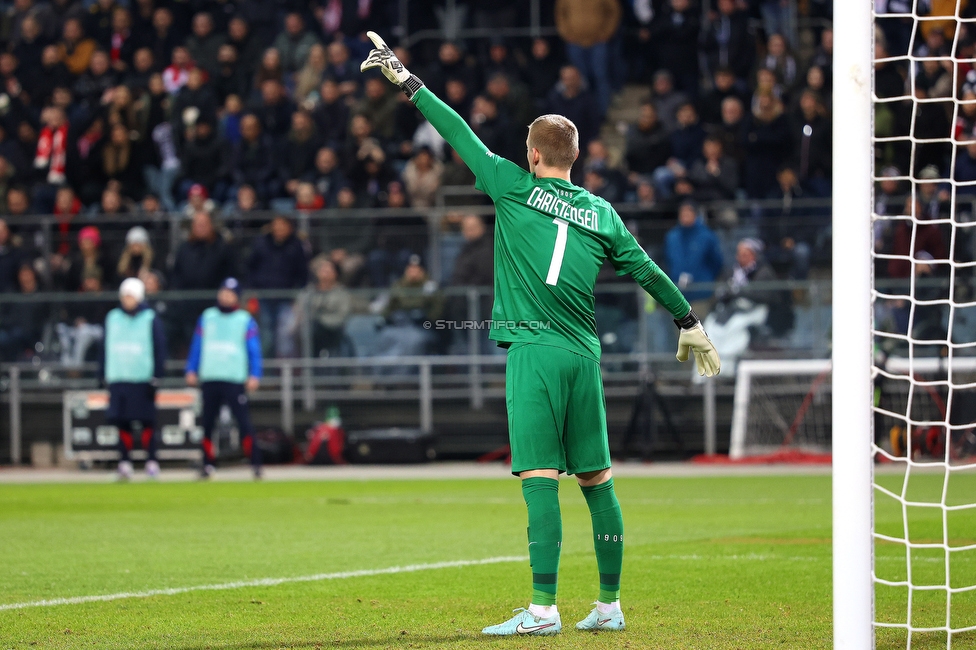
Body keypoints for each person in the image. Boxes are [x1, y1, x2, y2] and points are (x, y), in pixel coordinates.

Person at [362, 32, 720, 636]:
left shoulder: (510, 184)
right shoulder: (602, 213)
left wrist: (408, 81)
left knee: (539, 478)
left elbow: (458, 133)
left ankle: (543, 609)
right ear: (573, 157)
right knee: (598, 480)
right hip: (584, 355)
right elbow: (647, 270)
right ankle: (609, 606)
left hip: (534, 351)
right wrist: (688, 320)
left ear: (532, 154)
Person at [184, 278, 262, 479]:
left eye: (230, 293)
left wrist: (255, 373)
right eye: (223, 291)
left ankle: (255, 463)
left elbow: (254, 350)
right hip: (210, 376)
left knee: (244, 422)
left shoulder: (245, 319)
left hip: (234, 378)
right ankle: (207, 465)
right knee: (208, 423)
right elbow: (197, 345)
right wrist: (191, 368)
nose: (225, 296)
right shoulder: (207, 317)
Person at [102, 277, 167, 480]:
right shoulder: (112, 317)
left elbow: (159, 348)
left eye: (130, 295)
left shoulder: (149, 318)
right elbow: (104, 347)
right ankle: (124, 463)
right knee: (121, 422)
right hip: (118, 376)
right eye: (124, 296)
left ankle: (152, 462)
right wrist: (102, 373)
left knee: (148, 421)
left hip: (141, 377)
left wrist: (156, 376)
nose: (127, 299)